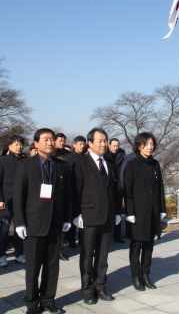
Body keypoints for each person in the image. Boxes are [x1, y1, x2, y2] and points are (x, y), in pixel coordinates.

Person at [13, 128, 74, 314]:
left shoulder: (61, 165)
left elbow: (68, 194)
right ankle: (32, 303)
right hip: (34, 222)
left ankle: (48, 300)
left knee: (52, 266)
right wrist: (20, 222)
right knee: (33, 266)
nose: (49, 143)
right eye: (45, 139)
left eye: (52, 139)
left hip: (55, 222)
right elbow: (18, 196)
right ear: (36, 143)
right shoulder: (25, 164)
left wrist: (67, 218)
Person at [74, 128, 121, 305]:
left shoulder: (110, 162)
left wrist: (117, 212)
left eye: (105, 141)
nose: (103, 144)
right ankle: (87, 289)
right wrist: (76, 214)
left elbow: (114, 191)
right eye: (100, 141)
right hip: (89, 215)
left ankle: (101, 286)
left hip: (107, 215)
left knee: (103, 256)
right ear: (90, 143)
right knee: (87, 256)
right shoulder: (81, 163)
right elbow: (75, 191)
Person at [125, 132, 166, 291]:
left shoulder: (155, 164)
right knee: (136, 246)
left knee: (149, 245)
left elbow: (160, 187)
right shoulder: (132, 165)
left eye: (151, 144)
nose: (150, 147)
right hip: (138, 212)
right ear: (138, 146)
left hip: (152, 211)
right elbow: (128, 191)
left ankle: (146, 274)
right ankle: (135, 276)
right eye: (146, 144)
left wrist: (162, 208)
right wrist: (130, 212)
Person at [0, 134, 27, 268]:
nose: (19, 147)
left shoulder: (25, 161)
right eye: (16, 144)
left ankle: (19, 254)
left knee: (20, 229)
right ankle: (2, 255)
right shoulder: (2, 161)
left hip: (21, 201)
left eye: (20, 144)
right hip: (6, 200)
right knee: (4, 230)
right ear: (10, 146)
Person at [105, 138, 126, 243]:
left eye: (117, 146)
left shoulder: (122, 155)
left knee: (118, 210)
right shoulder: (105, 155)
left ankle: (117, 235)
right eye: (114, 146)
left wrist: (120, 182)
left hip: (118, 185)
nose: (116, 148)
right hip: (108, 185)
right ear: (109, 145)